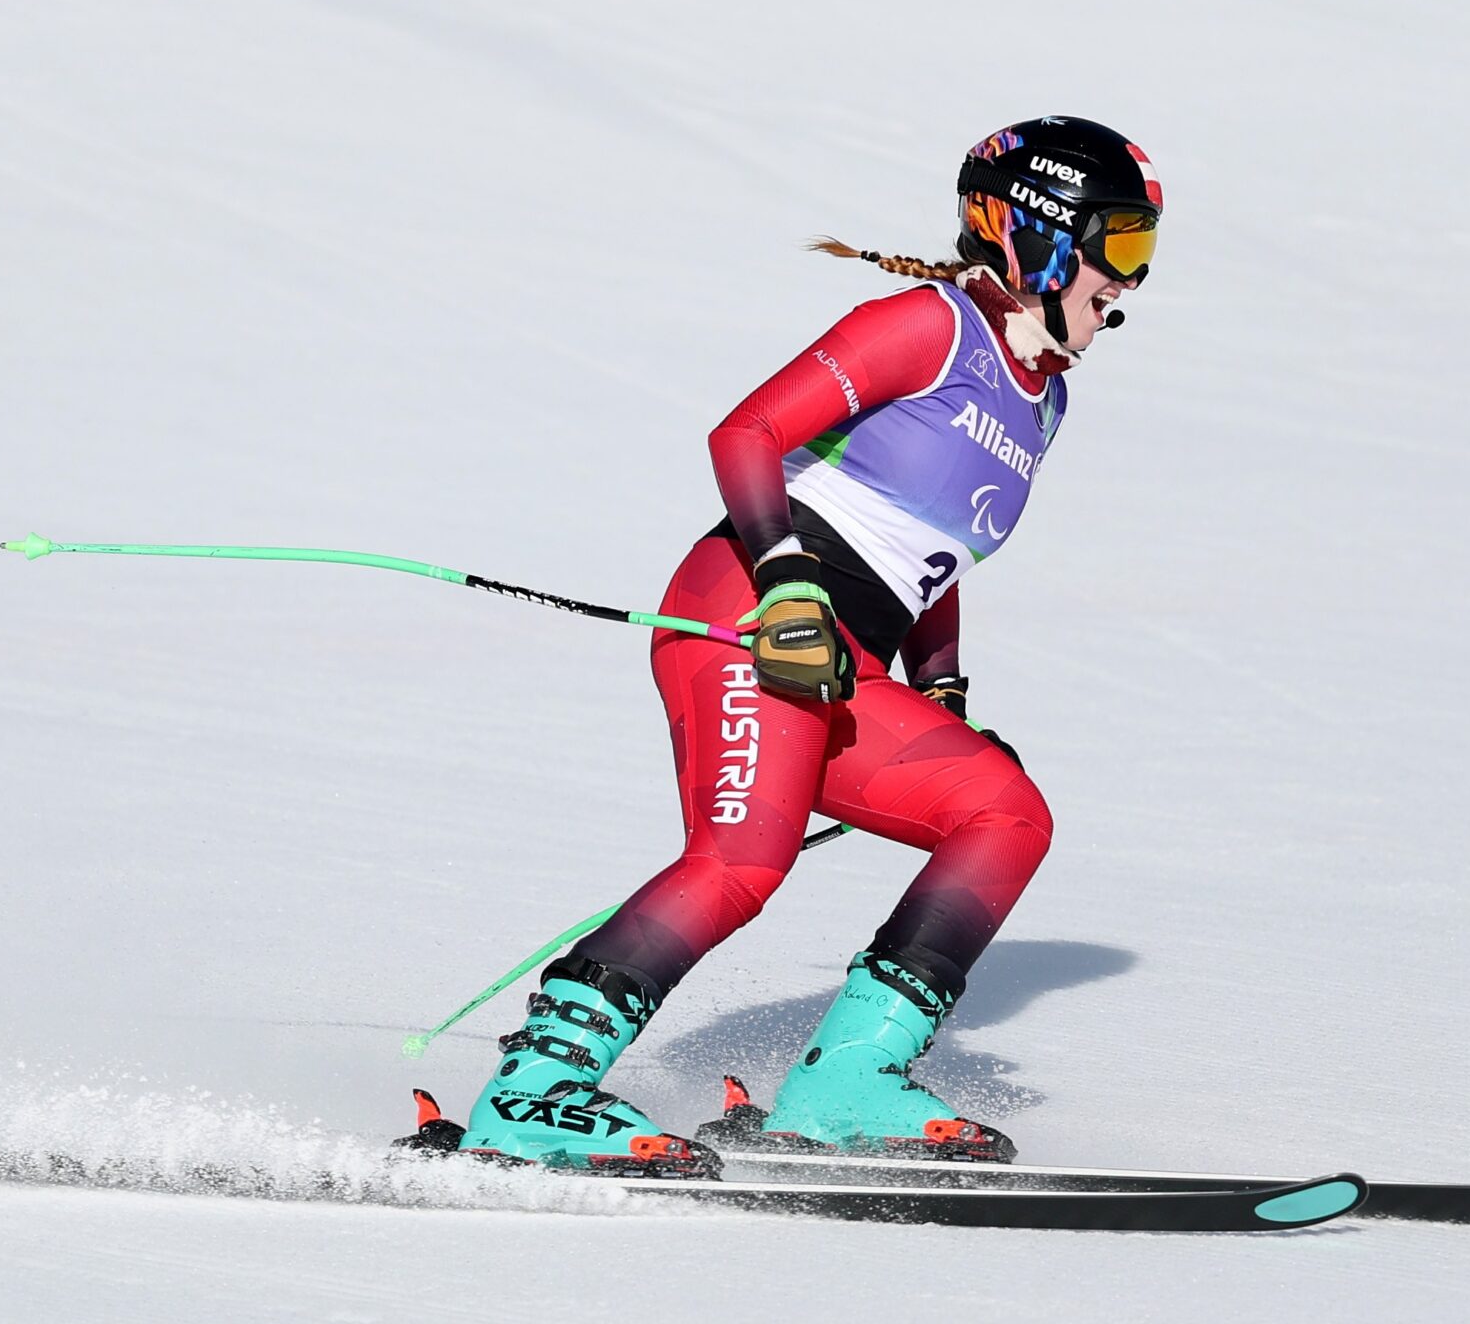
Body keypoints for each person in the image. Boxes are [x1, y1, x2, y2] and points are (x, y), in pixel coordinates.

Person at [457, 116, 1163, 1176]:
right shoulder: (926, 327)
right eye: (1122, 248)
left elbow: (935, 555)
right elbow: (745, 435)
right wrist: (787, 586)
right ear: (1039, 236)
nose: (1130, 285)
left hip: (847, 659)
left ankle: (845, 1082)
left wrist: (944, 693)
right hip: (748, 612)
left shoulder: (1042, 399)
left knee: (1003, 814)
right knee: (743, 861)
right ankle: (531, 1092)